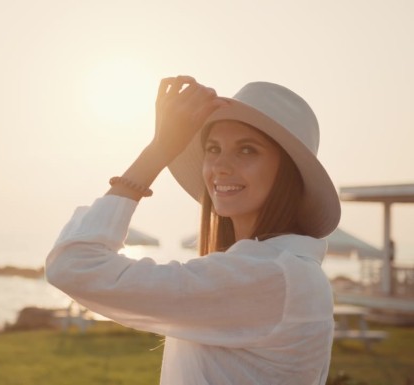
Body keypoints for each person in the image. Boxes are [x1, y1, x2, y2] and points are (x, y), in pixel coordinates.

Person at [45, 76, 341, 384]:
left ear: (287, 173)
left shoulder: (270, 275)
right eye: (213, 148)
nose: (220, 166)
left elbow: (73, 265)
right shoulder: (288, 271)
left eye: (247, 150)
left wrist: (157, 152)